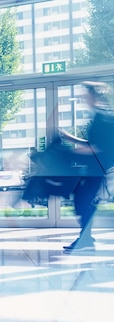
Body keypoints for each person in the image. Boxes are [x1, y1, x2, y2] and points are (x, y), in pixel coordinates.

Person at [60, 81, 114, 253]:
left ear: (95, 96)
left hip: (98, 169)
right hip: (94, 169)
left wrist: (68, 153)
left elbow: (97, 148)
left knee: (83, 201)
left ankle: (85, 239)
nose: (84, 98)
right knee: (83, 200)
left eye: (86, 95)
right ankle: (86, 237)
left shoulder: (103, 118)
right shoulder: (99, 116)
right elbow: (93, 144)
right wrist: (71, 139)